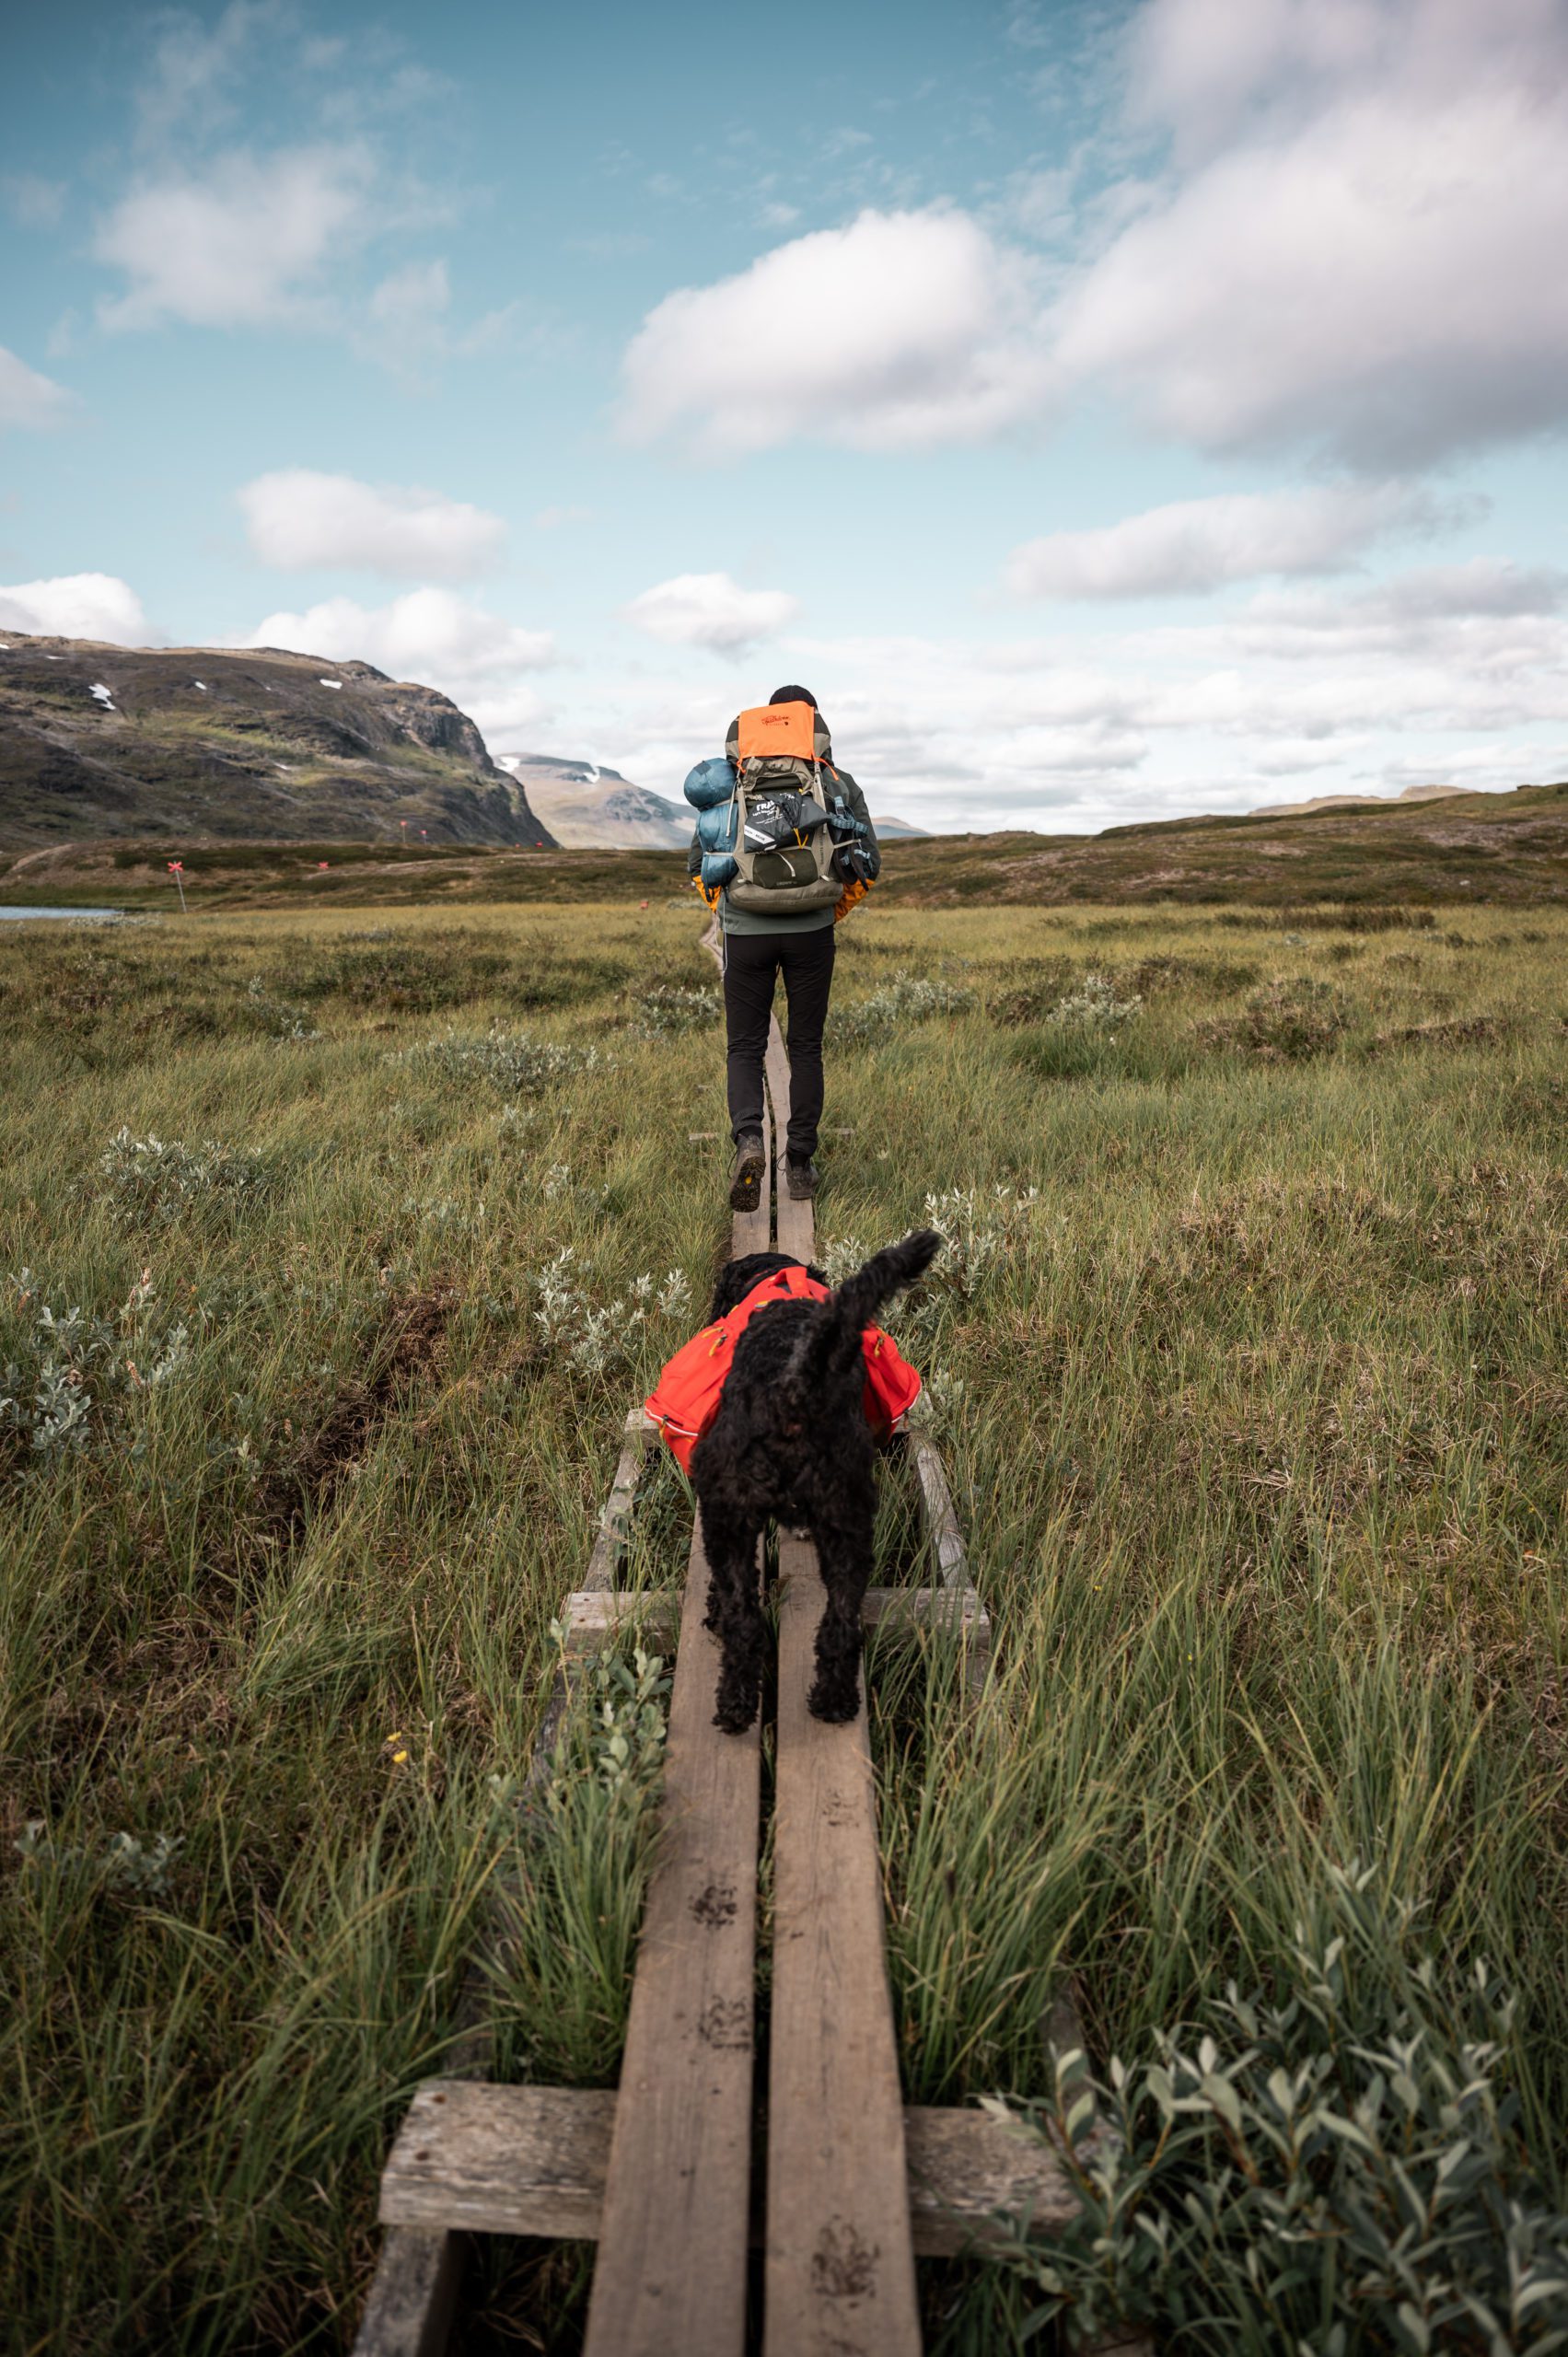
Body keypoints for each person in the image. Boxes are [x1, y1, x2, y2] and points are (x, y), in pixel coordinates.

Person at [686, 686, 879, 1210]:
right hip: (812, 934)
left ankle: (750, 1140)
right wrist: (824, 910)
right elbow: (868, 865)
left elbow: (699, 864)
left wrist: (731, 913)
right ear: (812, 721)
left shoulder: (733, 783)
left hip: (746, 933)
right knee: (806, 1045)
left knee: (744, 1047)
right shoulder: (835, 782)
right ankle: (799, 1164)